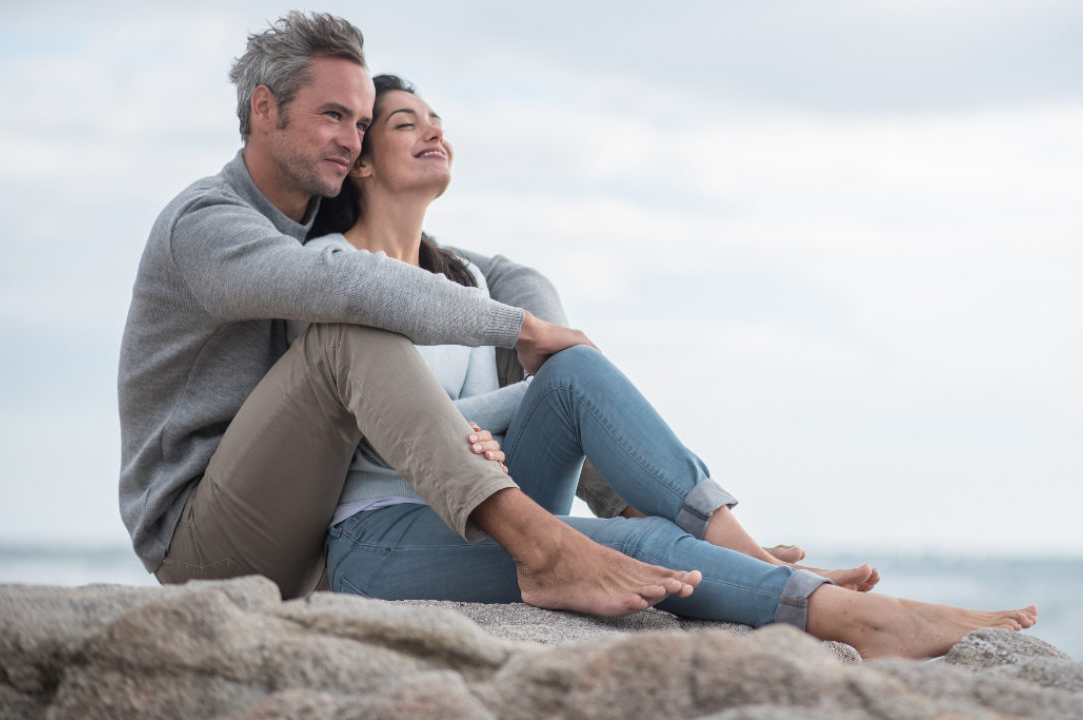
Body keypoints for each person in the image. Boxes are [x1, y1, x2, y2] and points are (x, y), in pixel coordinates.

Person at [297, 73, 1039, 659]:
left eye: (439, 122)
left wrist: (478, 430)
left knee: (575, 370)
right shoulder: (333, 268)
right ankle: (863, 621)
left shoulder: (469, 287)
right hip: (382, 537)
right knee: (645, 541)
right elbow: (372, 427)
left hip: (493, 511)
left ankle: (749, 552)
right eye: (406, 123)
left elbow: (475, 431)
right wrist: (467, 432)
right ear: (360, 161)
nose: (434, 131)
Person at [118, 11, 701, 616]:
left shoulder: (316, 214)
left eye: (361, 122)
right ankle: (542, 546)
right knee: (350, 337)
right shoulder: (206, 225)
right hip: (202, 539)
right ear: (264, 109)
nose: (350, 139)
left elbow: (489, 270)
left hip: (308, 517)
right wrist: (521, 329)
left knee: (559, 368)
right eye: (333, 116)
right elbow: (352, 284)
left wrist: (545, 336)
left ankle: (677, 519)